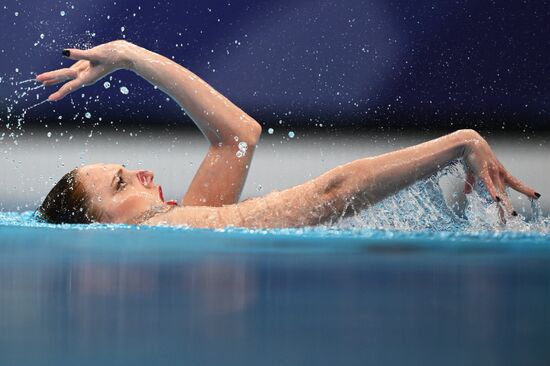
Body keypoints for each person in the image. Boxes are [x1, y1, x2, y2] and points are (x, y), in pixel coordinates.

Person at [35, 40, 540, 228]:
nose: (144, 173)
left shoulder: (184, 223)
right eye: (123, 184)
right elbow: (333, 192)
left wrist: (130, 56)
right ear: (97, 228)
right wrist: (458, 142)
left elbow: (236, 137)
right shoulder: (166, 230)